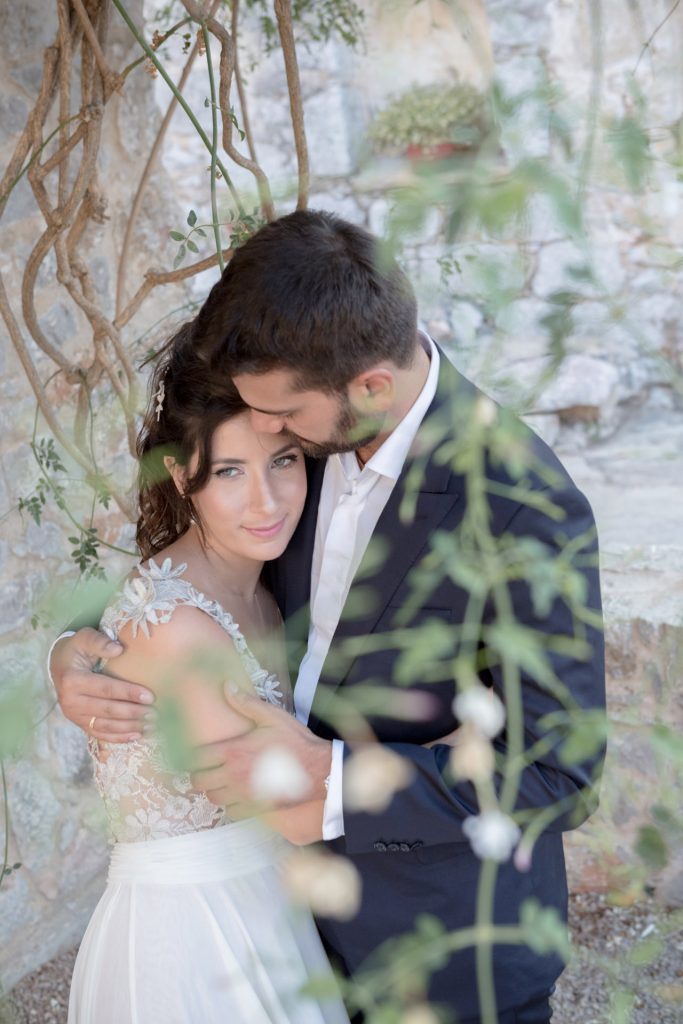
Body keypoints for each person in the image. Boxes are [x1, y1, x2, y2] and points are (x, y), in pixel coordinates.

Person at [53, 210, 605, 1024]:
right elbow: (209, 565)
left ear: (370, 387)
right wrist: (78, 650)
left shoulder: (524, 507)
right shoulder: (314, 424)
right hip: (288, 934)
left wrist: (339, 781)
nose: (267, 435)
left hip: (444, 950)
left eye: (280, 419)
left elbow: (559, 767)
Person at [66, 326, 351, 1024]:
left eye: (283, 461)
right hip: (197, 936)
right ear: (180, 474)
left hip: (266, 898)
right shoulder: (178, 629)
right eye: (228, 472)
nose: (266, 501)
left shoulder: (265, 584)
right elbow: (294, 809)